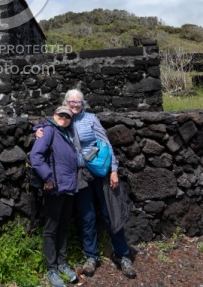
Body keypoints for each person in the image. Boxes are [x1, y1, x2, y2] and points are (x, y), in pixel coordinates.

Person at [62, 87, 136, 279]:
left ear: (83, 103)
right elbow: (46, 127)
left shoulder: (91, 119)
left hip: (100, 172)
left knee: (111, 213)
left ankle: (123, 255)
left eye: (78, 102)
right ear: (66, 103)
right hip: (79, 174)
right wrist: (38, 131)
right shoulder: (63, 119)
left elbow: (106, 144)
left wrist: (113, 170)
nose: (75, 105)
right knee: (87, 216)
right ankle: (91, 256)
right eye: (72, 101)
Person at [30, 105, 79, 287]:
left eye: (67, 117)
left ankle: (62, 263)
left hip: (68, 188)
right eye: (61, 115)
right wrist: (48, 178)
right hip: (55, 188)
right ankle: (51, 269)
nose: (64, 119)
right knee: (51, 229)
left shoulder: (66, 134)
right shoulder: (49, 131)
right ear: (54, 116)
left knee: (63, 226)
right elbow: (36, 157)